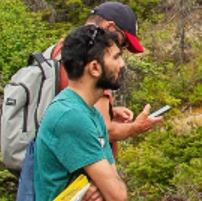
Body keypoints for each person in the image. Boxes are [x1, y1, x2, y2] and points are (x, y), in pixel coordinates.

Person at [17, 25, 162, 201]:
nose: (122, 64)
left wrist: (102, 186)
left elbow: (112, 180)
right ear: (94, 68)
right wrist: (101, 186)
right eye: (116, 57)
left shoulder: (91, 112)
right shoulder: (70, 116)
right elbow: (117, 195)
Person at [43, 2, 160, 142]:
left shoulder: (62, 49)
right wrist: (136, 127)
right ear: (109, 27)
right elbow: (103, 131)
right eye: (123, 43)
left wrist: (109, 111)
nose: (121, 52)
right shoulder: (96, 67)